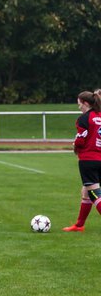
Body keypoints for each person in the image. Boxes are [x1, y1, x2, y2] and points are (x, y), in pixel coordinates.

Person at [63, 90, 101, 232]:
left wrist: (75, 146)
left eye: (79, 104)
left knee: (94, 194)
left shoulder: (84, 118)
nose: (78, 106)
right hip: (100, 158)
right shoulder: (100, 116)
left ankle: (79, 225)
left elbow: (80, 139)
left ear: (85, 103)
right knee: (86, 192)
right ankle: (79, 225)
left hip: (88, 160)